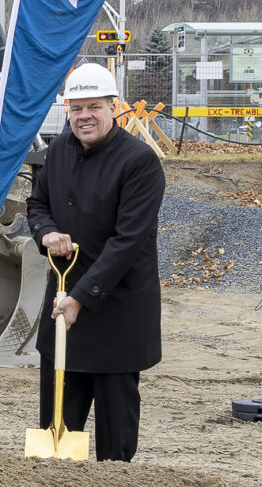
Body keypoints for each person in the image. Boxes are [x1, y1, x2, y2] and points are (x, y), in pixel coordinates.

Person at [26, 62, 165, 462]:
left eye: (94, 107)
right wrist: (46, 232)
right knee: (57, 436)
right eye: (76, 108)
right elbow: (38, 206)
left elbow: (128, 242)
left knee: (114, 441)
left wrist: (81, 299)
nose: (84, 116)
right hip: (64, 305)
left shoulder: (139, 162)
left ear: (113, 106)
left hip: (116, 315)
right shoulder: (57, 152)